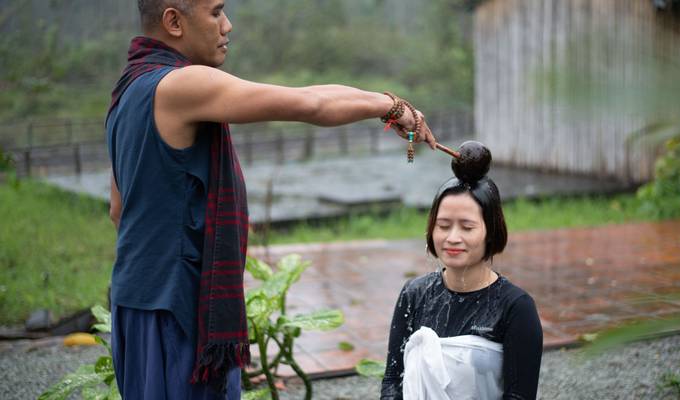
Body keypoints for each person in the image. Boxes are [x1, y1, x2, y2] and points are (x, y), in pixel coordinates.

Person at [106, 0, 436, 398]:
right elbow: (310, 104)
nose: (227, 26)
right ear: (174, 21)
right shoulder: (180, 84)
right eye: (215, 12)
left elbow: (118, 209)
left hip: (134, 301)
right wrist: (392, 106)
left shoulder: (128, 90)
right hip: (176, 307)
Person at [381, 175, 543, 400]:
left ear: (491, 232)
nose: (452, 238)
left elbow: (519, 396)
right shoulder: (414, 294)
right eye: (443, 226)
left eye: (467, 227)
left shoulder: (516, 307)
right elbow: (393, 380)